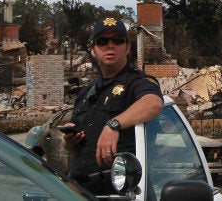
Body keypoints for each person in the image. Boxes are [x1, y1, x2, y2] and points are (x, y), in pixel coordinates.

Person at [62, 17, 163, 194]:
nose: (110, 46)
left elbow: (153, 103)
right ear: (93, 50)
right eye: (102, 41)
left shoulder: (137, 83)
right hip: (80, 191)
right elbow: (74, 148)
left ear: (127, 47)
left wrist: (113, 125)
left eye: (117, 40)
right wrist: (69, 142)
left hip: (123, 192)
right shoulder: (86, 92)